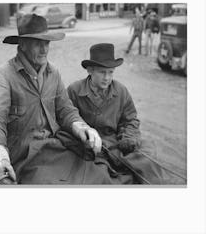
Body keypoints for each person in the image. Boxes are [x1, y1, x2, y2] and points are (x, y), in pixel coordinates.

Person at [0, 14, 127, 185]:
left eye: (47, 43)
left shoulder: (53, 73)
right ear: (23, 44)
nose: (44, 50)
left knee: (98, 176)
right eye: (38, 43)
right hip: (24, 158)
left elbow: (66, 110)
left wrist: (83, 128)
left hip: (54, 148)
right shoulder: (4, 75)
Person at [67, 43, 169, 184]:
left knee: (148, 160)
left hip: (116, 144)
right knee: (97, 177)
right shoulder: (74, 90)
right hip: (88, 148)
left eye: (111, 72)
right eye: (102, 72)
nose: (107, 78)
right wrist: (84, 139)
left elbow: (131, 120)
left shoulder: (121, 91)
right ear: (90, 70)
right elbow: (67, 119)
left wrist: (128, 138)